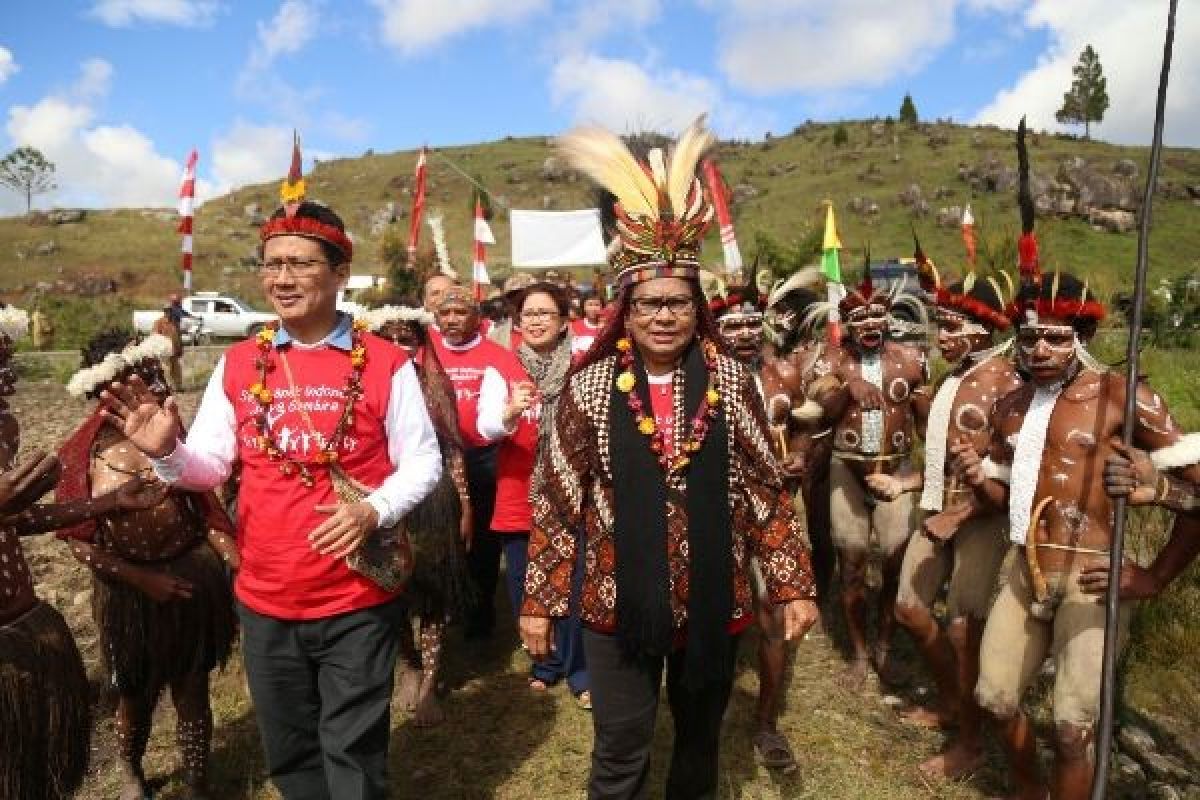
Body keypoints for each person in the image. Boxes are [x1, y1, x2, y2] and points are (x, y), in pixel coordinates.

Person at [99, 186, 442, 798]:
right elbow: (210, 466)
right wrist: (167, 452)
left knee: (354, 753)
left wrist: (373, 510)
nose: (282, 278)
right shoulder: (238, 365)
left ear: (340, 273)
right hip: (265, 598)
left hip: (355, 595)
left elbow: (422, 462)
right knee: (290, 754)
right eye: (272, 264)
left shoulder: (387, 362)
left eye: (300, 263)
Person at [519, 117, 817, 800]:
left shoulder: (732, 381)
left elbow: (767, 492)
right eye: (649, 302)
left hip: (714, 598)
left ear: (696, 306)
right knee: (621, 749)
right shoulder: (590, 389)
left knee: (699, 745)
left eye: (678, 302)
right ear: (626, 308)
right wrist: (539, 604)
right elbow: (559, 506)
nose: (663, 315)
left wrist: (794, 582)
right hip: (614, 600)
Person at [935, 265, 1200, 800]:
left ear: (1084, 337)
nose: (1039, 350)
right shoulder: (1009, 408)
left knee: (1072, 727)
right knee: (995, 699)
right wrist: (977, 477)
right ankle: (1033, 789)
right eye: (1029, 337)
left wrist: (1153, 574)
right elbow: (1005, 500)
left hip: (1094, 579)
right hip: (1024, 569)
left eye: (1057, 338)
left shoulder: (1122, 398)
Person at [56, 330, 239, 800]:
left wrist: (235, 566)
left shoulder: (172, 438)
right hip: (129, 593)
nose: (152, 387)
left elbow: (208, 512)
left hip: (190, 579)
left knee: (193, 685)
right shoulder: (83, 454)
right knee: (133, 692)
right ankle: (131, 770)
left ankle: (198, 781)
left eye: (153, 376)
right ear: (106, 390)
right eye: (137, 380)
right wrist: (141, 579)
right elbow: (79, 543)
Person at [0, 307, 163, 800]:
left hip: (24, 623)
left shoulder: (3, 428)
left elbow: (16, 521)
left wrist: (107, 502)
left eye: (6, 365)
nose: (8, 379)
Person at [890, 258, 1022, 779]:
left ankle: (970, 745)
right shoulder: (956, 376)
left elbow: (1017, 473)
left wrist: (963, 513)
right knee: (909, 608)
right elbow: (943, 454)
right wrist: (916, 487)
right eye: (939, 324)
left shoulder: (1011, 384)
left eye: (949, 325)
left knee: (964, 629)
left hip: (982, 518)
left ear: (981, 327)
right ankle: (951, 702)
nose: (941, 334)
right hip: (938, 509)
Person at [806, 261, 931, 688]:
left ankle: (884, 644)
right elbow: (821, 411)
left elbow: (928, 420)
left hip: (896, 470)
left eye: (877, 317)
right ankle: (858, 652)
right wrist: (848, 387)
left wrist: (934, 467)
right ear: (849, 324)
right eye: (860, 319)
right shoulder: (832, 360)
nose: (871, 325)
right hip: (848, 469)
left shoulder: (911, 362)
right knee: (853, 562)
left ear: (889, 319)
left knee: (896, 564)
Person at [710, 279, 810, 772]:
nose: (747, 333)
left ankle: (767, 722)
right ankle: (707, 706)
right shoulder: (700, 378)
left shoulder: (785, 374)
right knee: (715, 611)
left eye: (754, 323)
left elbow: (809, 427)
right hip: (716, 513)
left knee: (772, 613)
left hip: (776, 510)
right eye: (735, 325)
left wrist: (801, 460)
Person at [478, 281, 590, 705]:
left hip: (571, 494)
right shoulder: (502, 369)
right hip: (518, 493)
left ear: (564, 323)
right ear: (518, 324)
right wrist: (509, 411)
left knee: (577, 583)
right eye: (528, 314)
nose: (537, 321)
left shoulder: (584, 367)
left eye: (546, 313)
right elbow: (485, 427)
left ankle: (581, 672)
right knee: (527, 586)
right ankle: (545, 664)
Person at [365, 304, 473, 726]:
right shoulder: (362, 383)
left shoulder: (434, 384)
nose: (397, 346)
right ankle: (408, 664)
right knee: (391, 589)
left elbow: (453, 451)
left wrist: (464, 504)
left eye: (405, 339)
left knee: (431, 591)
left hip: (433, 506)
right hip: (381, 505)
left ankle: (429, 682)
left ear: (419, 342)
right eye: (388, 338)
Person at [431, 285, 517, 641]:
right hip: (435, 459)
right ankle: (443, 609)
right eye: (445, 313)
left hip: (482, 459)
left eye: (460, 313)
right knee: (440, 538)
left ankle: (480, 616)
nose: (451, 320)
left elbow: (518, 398)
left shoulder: (497, 355)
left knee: (480, 541)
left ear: (477, 319)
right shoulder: (426, 353)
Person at [154, 304, 187, 391]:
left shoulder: (175, 322)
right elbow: (155, 336)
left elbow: (178, 336)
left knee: (176, 369)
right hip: (164, 350)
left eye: (170, 310)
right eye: (167, 310)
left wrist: (180, 348)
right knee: (166, 369)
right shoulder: (159, 322)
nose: (168, 312)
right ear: (164, 311)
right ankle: (168, 387)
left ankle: (178, 386)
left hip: (174, 350)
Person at [571, 290, 606, 357]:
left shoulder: (607, 327)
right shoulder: (574, 326)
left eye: (597, 305)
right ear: (583, 307)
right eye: (590, 305)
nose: (593, 309)